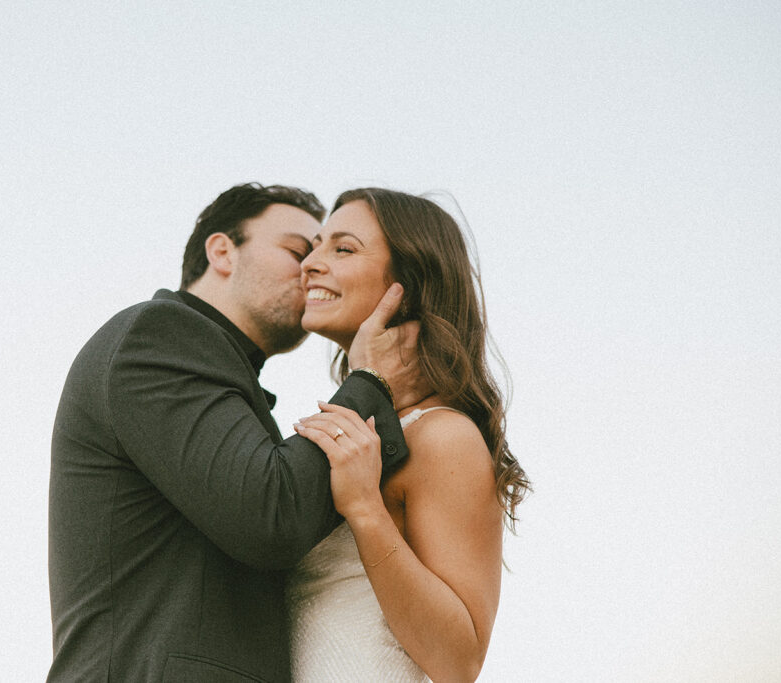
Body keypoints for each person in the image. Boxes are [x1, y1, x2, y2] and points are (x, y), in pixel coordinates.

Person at [46, 183, 429, 682]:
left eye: (330, 251)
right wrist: (370, 381)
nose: (314, 265)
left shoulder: (220, 375)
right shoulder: (157, 335)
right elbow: (269, 517)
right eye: (298, 249)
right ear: (222, 251)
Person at [289, 188, 531, 682]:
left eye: (343, 248)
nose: (310, 263)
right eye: (313, 246)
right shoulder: (368, 428)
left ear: (410, 283)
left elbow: (459, 662)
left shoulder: (443, 436)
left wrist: (364, 510)